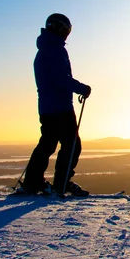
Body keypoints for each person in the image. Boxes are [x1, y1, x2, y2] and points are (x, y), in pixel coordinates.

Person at [17, 13, 92, 197]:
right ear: (60, 29)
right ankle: (62, 183)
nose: (67, 34)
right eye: (66, 30)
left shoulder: (43, 50)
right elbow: (61, 79)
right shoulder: (56, 50)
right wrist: (82, 88)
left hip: (46, 107)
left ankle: (32, 182)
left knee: (48, 143)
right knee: (71, 144)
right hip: (61, 107)